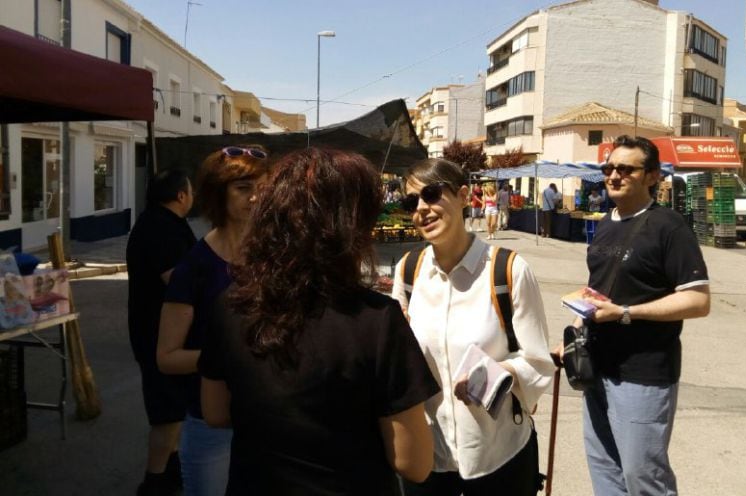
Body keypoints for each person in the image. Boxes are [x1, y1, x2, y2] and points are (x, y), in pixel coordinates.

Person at [197, 148, 438, 495]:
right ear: (351, 227)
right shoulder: (378, 321)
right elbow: (414, 464)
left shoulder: (230, 305)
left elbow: (215, 412)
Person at [392, 158, 554, 496]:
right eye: (412, 202)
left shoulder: (507, 271)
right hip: (430, 458)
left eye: (433, 194)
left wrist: (492, 374)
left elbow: (539, 363)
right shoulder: (408, 273)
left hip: (498, 457)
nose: (422, 208)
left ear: (465, 196)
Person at [564, 135, 710, 496]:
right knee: (605, 470)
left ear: (651, 176)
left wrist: (626, 312)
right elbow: (601, 286)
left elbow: (697, 301)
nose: (613, 176)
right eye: (609, 168)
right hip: (596, 365)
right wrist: (579, 324)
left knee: (643, 477)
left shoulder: (669, 226)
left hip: (643, 374)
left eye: (625, 169)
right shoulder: (607, 221)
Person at [156, 146, 269, 496]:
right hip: (211, 426)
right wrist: (229, 358)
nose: (256, 198)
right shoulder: (195, 269)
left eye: (263, 188)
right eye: (243, 188)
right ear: (217, 194)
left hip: (270, 419)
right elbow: (167, 356)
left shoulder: (276, 258)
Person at [126, 168, 196, 496]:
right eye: (190, 190)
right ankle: (154, 482)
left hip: (163, 331)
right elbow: (178, 281)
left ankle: (170, 469)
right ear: (181, 195)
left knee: (174, 406)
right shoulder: (160, 229)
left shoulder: (161, 223)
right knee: (166, 411)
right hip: (158, 334)